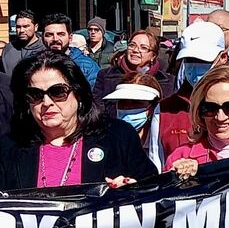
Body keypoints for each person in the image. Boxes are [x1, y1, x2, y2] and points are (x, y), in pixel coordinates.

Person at [0, 51, 157, 189]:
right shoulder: (9, 148)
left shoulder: (118, 136)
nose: (46, 102)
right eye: (35, 94)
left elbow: (154, 190)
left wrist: (134, 191)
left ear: (79, 94)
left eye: (58, 92)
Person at [159, 21, 229, 158]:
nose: (195, 66)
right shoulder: (165, 110)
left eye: (203, 60)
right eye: (189, 59)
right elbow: (157, 162)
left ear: (223, 57)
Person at [93, 30, 175, 117]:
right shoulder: (106, 75)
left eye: (143, 48)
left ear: (153, 56)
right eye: (132, 45)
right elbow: (96, 108)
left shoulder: (167, 81)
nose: (135, 50)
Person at [102, 73, 165, 171]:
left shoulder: (164, 141)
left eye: (136, 102)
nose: (127, 107)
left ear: (153, 106)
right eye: (122, 102)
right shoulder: (106, 139)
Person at [41, 14, 100, 88]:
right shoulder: (35, 64)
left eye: (61, 34)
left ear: (70, 37)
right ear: (42, 38)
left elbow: (94, 96)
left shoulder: (87, 66)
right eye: (49, 35)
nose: (55, 39)